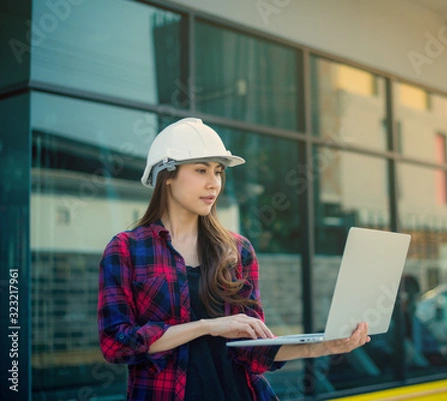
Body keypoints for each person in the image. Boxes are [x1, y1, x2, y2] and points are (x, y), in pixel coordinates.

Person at [97, 118, 370, 401]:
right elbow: (117, 345)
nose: (213, 183)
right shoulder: (127, 249)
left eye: (218, 172)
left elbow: (255, 351)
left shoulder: (237, 250)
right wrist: (207, 326)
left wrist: (328, 346)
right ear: (167, 175)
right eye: (201, 170)